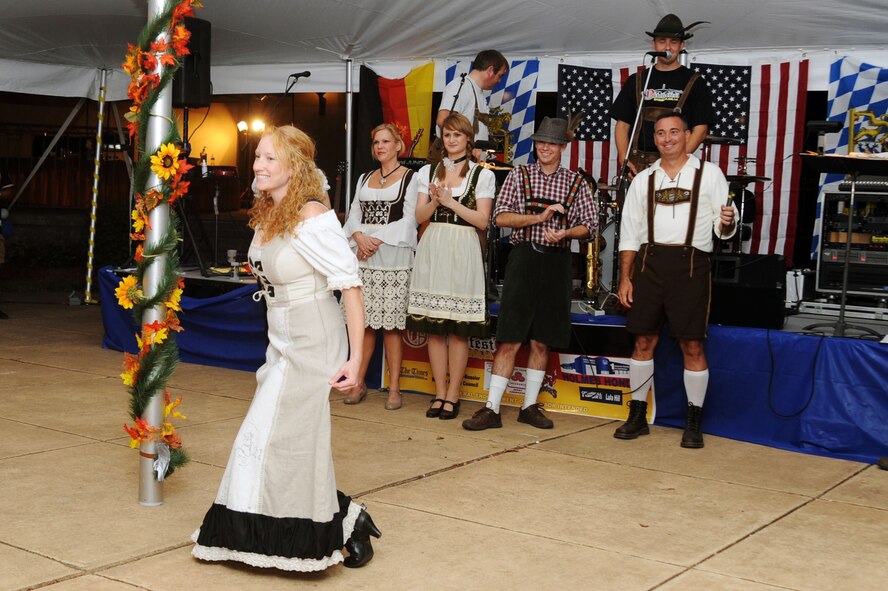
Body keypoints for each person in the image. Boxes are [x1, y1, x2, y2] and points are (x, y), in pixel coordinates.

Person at [192, 125, 381, 571]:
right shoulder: (269, 211)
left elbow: (351, 287)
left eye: (269, 159)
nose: (258, 166)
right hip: (282, 339)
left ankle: (320, 528)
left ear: (294, 167)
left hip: (315, 340)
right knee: (289, 441)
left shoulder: (312, 215)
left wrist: (356, 361)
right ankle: (348, 522)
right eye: (257, 157)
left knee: (275, 437)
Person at [462, 116, 597, 431]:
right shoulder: (520, 174)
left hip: (557, 263)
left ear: (562, 147)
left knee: (542, 339)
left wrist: (565, 234)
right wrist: (540, 218)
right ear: (535, 145)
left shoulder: (575, 182)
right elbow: (502, 217)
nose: (545, 148)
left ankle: (529, 406)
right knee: (509, 336)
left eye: (552, 142)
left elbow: (589, 225)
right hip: (524, 259)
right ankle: (491, 408)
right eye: (541, 142)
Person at [613, 112, 736, 448]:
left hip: (691, 266)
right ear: (654, 139)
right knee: (643, 343)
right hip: (649, 265)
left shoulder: (709, 175)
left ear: (687, 135)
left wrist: (727, 221)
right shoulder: (644, 180)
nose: (667, 139)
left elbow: (721, 229)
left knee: (692, 345)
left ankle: (693, 420)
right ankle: (637, 414)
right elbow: (629, 235)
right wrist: (625, 277)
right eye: (661, 134)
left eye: (674, 132)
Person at [407, 113, 495, 421]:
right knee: (434, 328)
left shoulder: (483, 175)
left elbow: (483, 220)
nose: (452, 140)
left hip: (464, 245)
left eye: (457, 135)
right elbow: (418, 217)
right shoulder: (428, 171)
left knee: (458, 330)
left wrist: (451, 201)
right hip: (435, 244)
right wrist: (434, 202)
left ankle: (454, 394)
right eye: (447, 135)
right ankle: (439, 392)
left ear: (468, 139)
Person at [341, 123, 419, 410]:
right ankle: (357, 382)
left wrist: (373, 239)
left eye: (386, 141)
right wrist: (359, 237)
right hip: (364, 257)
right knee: (363, 325)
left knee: (391, 327)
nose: (380, 147)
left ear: (398, 145)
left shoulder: (411, 178)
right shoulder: (364, 178)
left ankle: (395, 388)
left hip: (392, 258)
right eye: (376, 142)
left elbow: (410, 221)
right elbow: (352, 217)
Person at [610, 14, 713, 177]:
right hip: (637, 167)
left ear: (682, 45)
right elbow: (622, 125)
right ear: (654, 44)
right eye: (662, 41)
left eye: (673, 42)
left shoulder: (696, 82)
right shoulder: (636, 80)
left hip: (677, 167)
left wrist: (678, 159)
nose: (667, 47)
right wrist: (624, 158)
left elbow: (700, 129)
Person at [436, 49, 509, 144]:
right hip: (458, 157)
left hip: (470, 157)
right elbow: (443, 120)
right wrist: (468, 146)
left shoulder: (477, 91)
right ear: (490, 70)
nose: (499, 80)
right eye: (500, 75)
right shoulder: (460, 86)